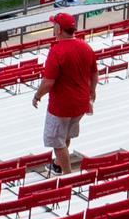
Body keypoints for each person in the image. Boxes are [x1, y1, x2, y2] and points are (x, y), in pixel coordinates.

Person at [33, 12, 98, 173]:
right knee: (65, 136)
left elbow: (48, 82)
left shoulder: (57, 51)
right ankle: (57, 165)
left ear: (59, 29)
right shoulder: (85, 46)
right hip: (81, 103)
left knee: (57, 142)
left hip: (62, 106)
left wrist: (37, 95)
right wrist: (92, 91)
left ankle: (68, 176)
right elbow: (94, 73)